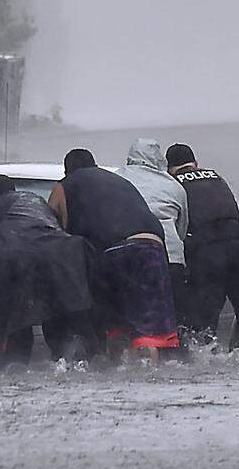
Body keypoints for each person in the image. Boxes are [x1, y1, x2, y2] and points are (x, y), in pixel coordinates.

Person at [48, 149, 180, 359]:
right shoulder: (118, 180)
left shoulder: (64, 186)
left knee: (116, 326)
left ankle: (117, 376)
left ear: (67, 170)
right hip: (153, 248)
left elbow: (54, 231)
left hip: (112, 253)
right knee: (150, 333)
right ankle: (151, 375)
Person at [0, 175, 94, 370]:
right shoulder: (37, 201)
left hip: (14, 258)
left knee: (9, 320)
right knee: (59, 320)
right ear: (14, 189)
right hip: (61, 256)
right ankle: (71, 360)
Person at [165, 143, 239, 350]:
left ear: (169, 169)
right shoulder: (216, 177)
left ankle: (204, 355)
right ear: (196, 163)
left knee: (203, 319)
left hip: (209, 254)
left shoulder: (173, 185)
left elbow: (176, 229)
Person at [115, 138, 190, 326]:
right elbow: (182, 228)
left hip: (131, 257)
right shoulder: (173, 185)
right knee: (176, 319)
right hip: (171, 258)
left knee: (136, 320)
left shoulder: (116, 179)